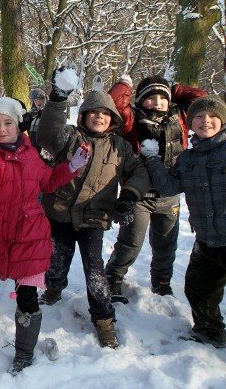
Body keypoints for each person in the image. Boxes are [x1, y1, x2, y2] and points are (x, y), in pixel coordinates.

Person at [0, 97, 86, 375]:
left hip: (30, 236)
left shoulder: (31, 153)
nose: (1, 128)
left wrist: (70, 167)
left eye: (7, 123)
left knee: (28, 297)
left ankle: (24, 353)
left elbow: (47, 181)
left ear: (18, 124)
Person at [36, 66, 151, 348]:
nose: (99, 116)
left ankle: (103, 319)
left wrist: (129, 197)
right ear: (84, 114)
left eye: (105, 113)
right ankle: (53, 287)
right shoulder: (71, 137)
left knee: (95, 271)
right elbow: (47, 135)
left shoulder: (120, 148)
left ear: (112, 118)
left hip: (94, 218)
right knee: (56, 258)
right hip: (60, 212)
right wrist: (58, 99)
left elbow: (139, 173)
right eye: (93, 112)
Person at [104, 75, 206, 298]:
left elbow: (202, 99)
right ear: (141, 101)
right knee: (131, 242)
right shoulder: (132, 122)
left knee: (166, 244)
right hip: (139, 195)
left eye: (163, 97)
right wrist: (125, 85)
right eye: (151, 97)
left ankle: (161, 281)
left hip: (169, 194)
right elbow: (115, 102)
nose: (158, 102)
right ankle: (113, 277)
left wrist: (176, 88)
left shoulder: (179, 117)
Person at [140, 95, 226, 349]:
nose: (205, 121)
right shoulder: (187, 159)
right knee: (198, 290)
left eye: (212, 117)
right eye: (199, 117)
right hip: (206, 241)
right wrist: (153, 158)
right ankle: (209, 331)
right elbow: (168, 187)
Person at [20, 88, 52, 164]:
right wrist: (24, 119)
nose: (37, 102)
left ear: (44, 99)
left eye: (40, 99)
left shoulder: (49, 114)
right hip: (33, 151)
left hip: (46, 153)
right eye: (35, 100)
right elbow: (20, 128)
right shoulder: (32, 116)